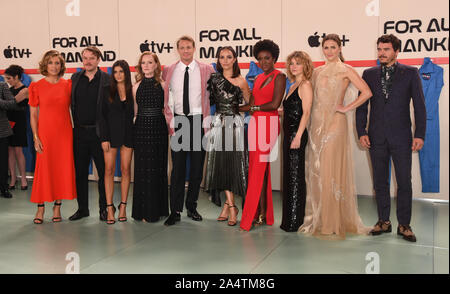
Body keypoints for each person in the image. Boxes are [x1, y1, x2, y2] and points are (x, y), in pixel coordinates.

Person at [298, 34, 373, 239]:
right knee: (318, 172)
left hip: (335, 125)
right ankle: (321, 218)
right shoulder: (317, 71)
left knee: (331, 170)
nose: (329, 51)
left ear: (340, 49)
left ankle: (332, 222)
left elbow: (366, 92)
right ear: (322, 49)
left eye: (333, 47)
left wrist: (346, 108)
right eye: (326, 47)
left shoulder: (346, 70)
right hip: (316, 125)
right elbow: (309, 97)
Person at [356, 34, 426, 242]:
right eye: (379, 49)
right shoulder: (368, 74)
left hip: (402, 136)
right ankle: (383, 221)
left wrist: (419, 134)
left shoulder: (411, 73)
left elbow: (420, 106)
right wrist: (361, 131)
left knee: (404, 181)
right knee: (380, 181)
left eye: (386, 49)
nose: (381, 53)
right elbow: (362, 105)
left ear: (396, 51)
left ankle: (404, 224)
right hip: (375, 136)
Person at [162, 35, 215, 226]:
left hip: (198, 121)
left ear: (194, 48)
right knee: (177, 169)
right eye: (182, 47)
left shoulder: (207, 69)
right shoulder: (169, 70)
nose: (185, 50)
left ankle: (191, 207)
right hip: (179, 123)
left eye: (188, 47)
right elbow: (168, 99)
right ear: (178, 49)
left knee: (196, 168)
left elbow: (213, 95)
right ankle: (175, 210)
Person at [239, 39, 286, 232]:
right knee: (260, 170)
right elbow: (250, 105)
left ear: (274, 58)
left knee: (257, 170)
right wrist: (236, 108)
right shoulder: (257, 79)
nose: (264, 62)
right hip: (256, 124)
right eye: (260, 59)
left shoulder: (280, 77)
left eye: (267, 58)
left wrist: (254, 109)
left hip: (269, 124)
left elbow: (274, 104)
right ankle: (263, 214)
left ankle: (250, 217)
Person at [28, 50, 77, 224]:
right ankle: (40, 208)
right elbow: (33, 115)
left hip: (64, 134)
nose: (54, 66)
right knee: (43, 169)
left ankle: (57, 206)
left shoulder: (68, 85)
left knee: (61, 169)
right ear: (45, 65)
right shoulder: (36, 86)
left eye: (57, 63)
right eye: (50, 63)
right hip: (45, 134)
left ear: (61, 66)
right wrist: (35, 137)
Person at [205, 46, 250, 226]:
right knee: (221, 164)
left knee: (233, 164)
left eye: (228, 57)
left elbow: (250, 104)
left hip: (235, 125)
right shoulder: (214, 79)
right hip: (218, 123)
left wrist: (236, 110)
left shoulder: (241, 81)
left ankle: (228, 206)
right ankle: (232, 206)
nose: (224, 60)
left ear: (234, 59)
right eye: (221, 57)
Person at [69, 47, 110, 222]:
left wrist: (107, 135)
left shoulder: (107, 79)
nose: (87, 61)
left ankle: (104, 209)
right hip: (78, 133)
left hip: (99, 134)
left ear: (98, 60)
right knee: (79, 174)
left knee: (103, 173)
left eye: (91, 58)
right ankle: (83, 209)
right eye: (85, 58)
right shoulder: (75, 78)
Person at [132, 52, 169, 223]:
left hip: (158, 128)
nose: (146, 65)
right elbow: (135, 112)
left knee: (157, 167)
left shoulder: (163, 84)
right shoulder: (135, 86)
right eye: (143, 63)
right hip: (140, 128)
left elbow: (167, 109)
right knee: (142, 168)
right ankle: (142, 211)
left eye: (150, 62)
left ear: (156, 65)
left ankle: (157, 210)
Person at [280, 51, 313, 232]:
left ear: (305, 66)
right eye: (291, 63)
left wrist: (298, 136)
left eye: (298, 63)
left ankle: (295, 221)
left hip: (296, 135)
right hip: (289, 134)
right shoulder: (292, 85)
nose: (293, 66)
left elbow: (306, 112)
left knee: (295, 177)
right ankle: (289, 220)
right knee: (290, 176)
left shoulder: (305, 85)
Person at [99, 60, 134, 225]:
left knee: (126, 170)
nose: (118, 75)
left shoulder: (132, 90)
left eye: (122, 71)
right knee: (108, 170)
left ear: (126, 73)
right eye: (115, 72)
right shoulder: (106, 90)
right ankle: (109, 207)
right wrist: (104, 138)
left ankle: (123, 206)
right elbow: (101, 116)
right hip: (110, 136)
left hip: (128, 134)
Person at [4, 65, 29, 190]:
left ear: (16, 77)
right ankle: (13, 178)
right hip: (8, 122)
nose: (7, 81)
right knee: (9, 150)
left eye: (9, 78)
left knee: (18, 150)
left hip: (19, 122)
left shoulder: (25, 90)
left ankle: (23, 178)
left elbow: (12, 103)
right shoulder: (8, 90)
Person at [0, 82, 20, 199]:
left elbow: (13, 104)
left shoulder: (2, 86)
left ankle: (3, 188)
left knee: (2, 162)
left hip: (2, 132)